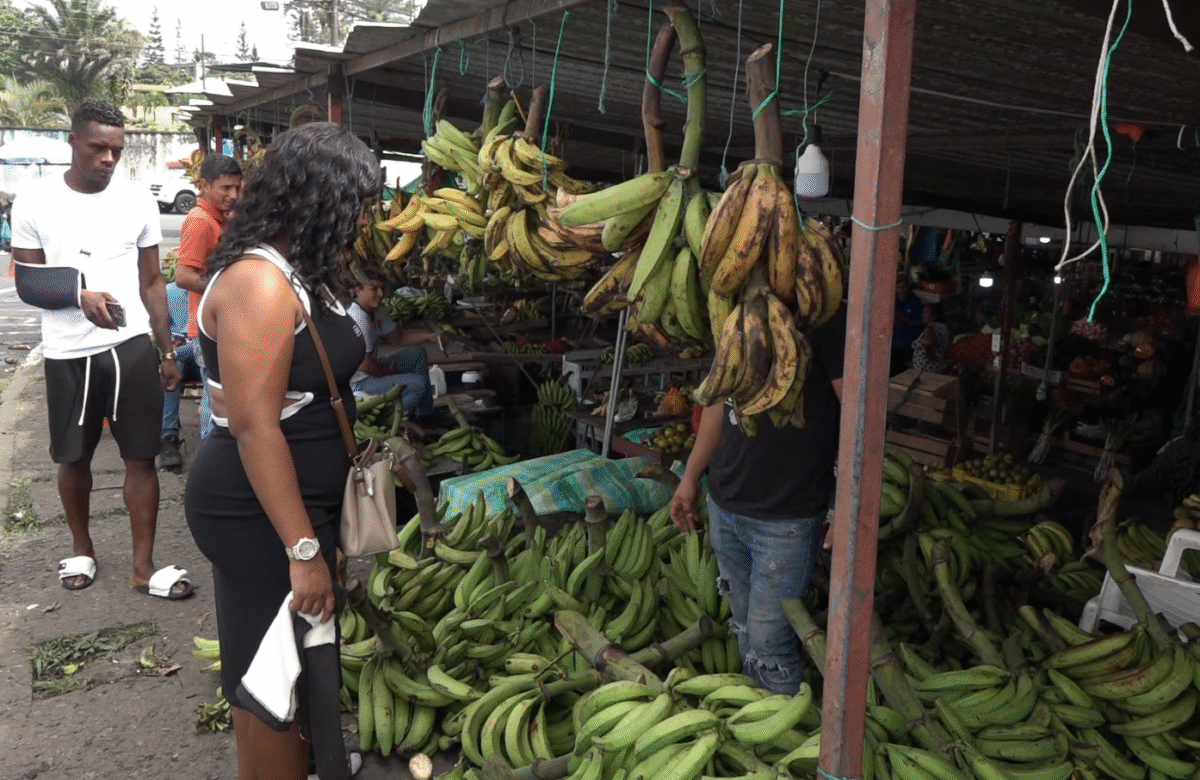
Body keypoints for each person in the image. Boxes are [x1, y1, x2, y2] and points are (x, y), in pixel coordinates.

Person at [184, 122, 376, 780]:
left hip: (287, 507)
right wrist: (303, 552)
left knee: (281, 663)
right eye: (354, 205)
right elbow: (255, 428)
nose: (359, 222)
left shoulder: (296, 274)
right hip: (255, 512)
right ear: (319, 202)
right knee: (273, 680)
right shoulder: (260, 283)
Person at [10, 98, 190, 599]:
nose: (109, 159)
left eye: (117, 149)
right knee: (74, 459)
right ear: (72, 142)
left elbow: (152, 282)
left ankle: (143, 567)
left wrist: (167, 349)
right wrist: (75, 294)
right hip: (68, 351)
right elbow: (26, 281)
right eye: (98, 148)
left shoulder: (136, 201)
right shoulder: (35, 201)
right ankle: (83, 549)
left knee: (142, 457)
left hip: (130, 347)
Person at [670, 307, 846, 694]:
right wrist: (691, 477)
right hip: (725, 503)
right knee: (745, 628)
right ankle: (754, 716)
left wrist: (847, 507)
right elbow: (717, 404)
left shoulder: (827, 321)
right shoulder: (734, 315)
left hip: (788, 517)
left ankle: (778, 735)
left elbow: (858, 414)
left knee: (771, 642)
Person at [173, 153, 242, 441]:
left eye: (237, 188)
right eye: (226, 188)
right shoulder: (200, 221)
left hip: (218, 325)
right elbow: (184, 276)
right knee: (214, 399)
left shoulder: (219, 219)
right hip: (206, 329)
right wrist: (227, 289)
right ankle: (210, 459)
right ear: (204, 185)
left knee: (220, 396)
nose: (233, 195)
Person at [346, 275, 440, 420]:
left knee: (418, 353)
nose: (381, 294)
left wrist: (429, 337)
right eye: (374, 289)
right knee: (418, 383)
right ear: (358, 290)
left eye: (382, 288)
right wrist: (388, 372)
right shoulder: (358, 318)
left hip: (371, 372)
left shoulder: (376, 312)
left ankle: (425, 414)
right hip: (358, 383)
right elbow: (364, 364)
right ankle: (390, 420)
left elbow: (399, 338)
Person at [159, 280, 202, 468]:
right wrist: (168, 346)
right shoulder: (169, 292)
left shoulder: (211, 288)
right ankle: (169, 436)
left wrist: (172, 353)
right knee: (171, 368)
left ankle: (213, 435)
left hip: (205, 352)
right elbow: (161, 326)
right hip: (180, 356)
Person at [892, 274, 924, 376]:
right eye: (899, 287)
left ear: (908, 287)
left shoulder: (915, 301)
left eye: (904, 286)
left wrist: (905, 320)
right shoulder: (892, 301)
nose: (902, 289)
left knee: (904, 373)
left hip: (908, 345)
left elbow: (922, 322)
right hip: (892, 344)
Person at [911, 302, 951, 374]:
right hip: (932, 367)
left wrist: (929, 356)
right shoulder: (942, 327)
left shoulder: (931, 327)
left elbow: (928, 342)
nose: (923, 315)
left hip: (927, 368)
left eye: (926, 313)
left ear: (934, 316)